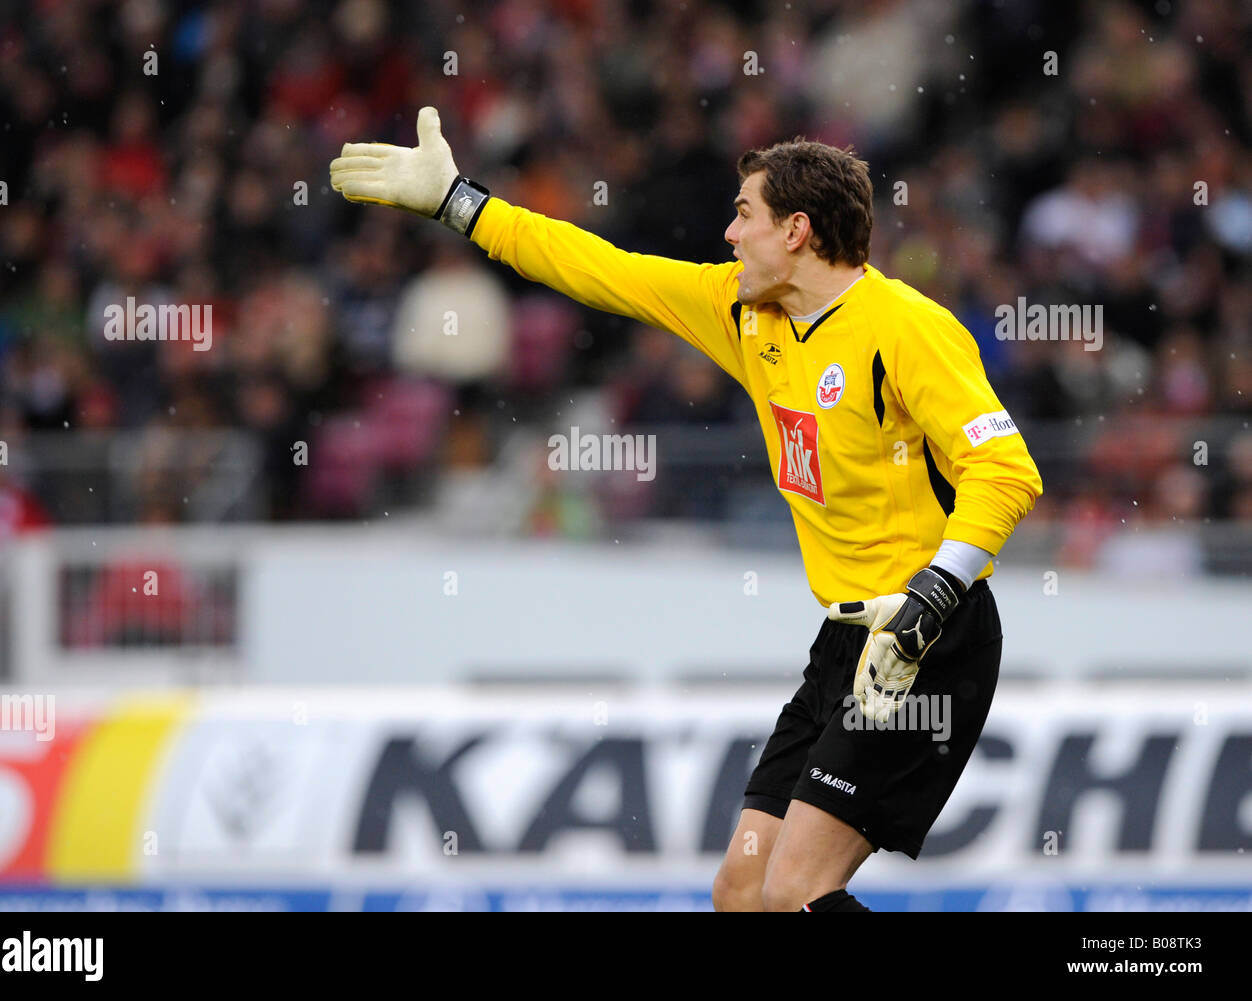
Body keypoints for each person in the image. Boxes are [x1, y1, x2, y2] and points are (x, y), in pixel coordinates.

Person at [330, 108, 1043, 912]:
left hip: (926, 642)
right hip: (846, 643)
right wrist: (463, 204)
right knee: (741, 891)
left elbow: (1005, 469)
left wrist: (930, 597)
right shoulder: (744, 311)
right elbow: (603, 268)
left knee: (796, 892)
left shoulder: (909, 330)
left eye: (745, 214)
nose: (729, 234)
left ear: (798, 231)